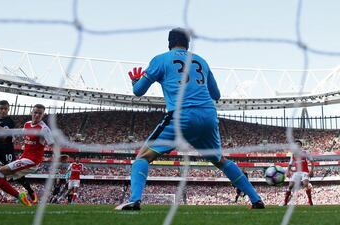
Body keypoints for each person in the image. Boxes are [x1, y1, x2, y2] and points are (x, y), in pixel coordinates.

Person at [115, 28, 264, 210]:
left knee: (143, 157)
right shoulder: (201, 61)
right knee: (220, 160)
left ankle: (135, 200)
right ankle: (256, 200)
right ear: (188, 44)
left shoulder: (160, 59)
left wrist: (135, 81)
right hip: (208, 116)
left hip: (181, 115)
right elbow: (216, 95)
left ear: (169, 43)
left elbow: (138, 91)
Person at [0, 104, 54, 207]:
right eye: (35, 112)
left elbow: (52, 144)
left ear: (43, 115)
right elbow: (19, 131)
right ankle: (19, 196)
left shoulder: (44, 128)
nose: (37, 115)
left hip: (32, 161)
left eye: (40, 113)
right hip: (24, 158)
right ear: (31, 112)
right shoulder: (27, 124)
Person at [283, 139, 314, 206]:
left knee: (305, 184)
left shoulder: (305, 152)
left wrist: (311, 170)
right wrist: (288, 171)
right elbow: (290, 164)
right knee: (290, 186)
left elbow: (312, 161)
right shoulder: (293, 154)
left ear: (300, 145)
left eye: (298, 144)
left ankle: (310, 201)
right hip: (296, 172)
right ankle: (285, 202)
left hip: (304, 171)